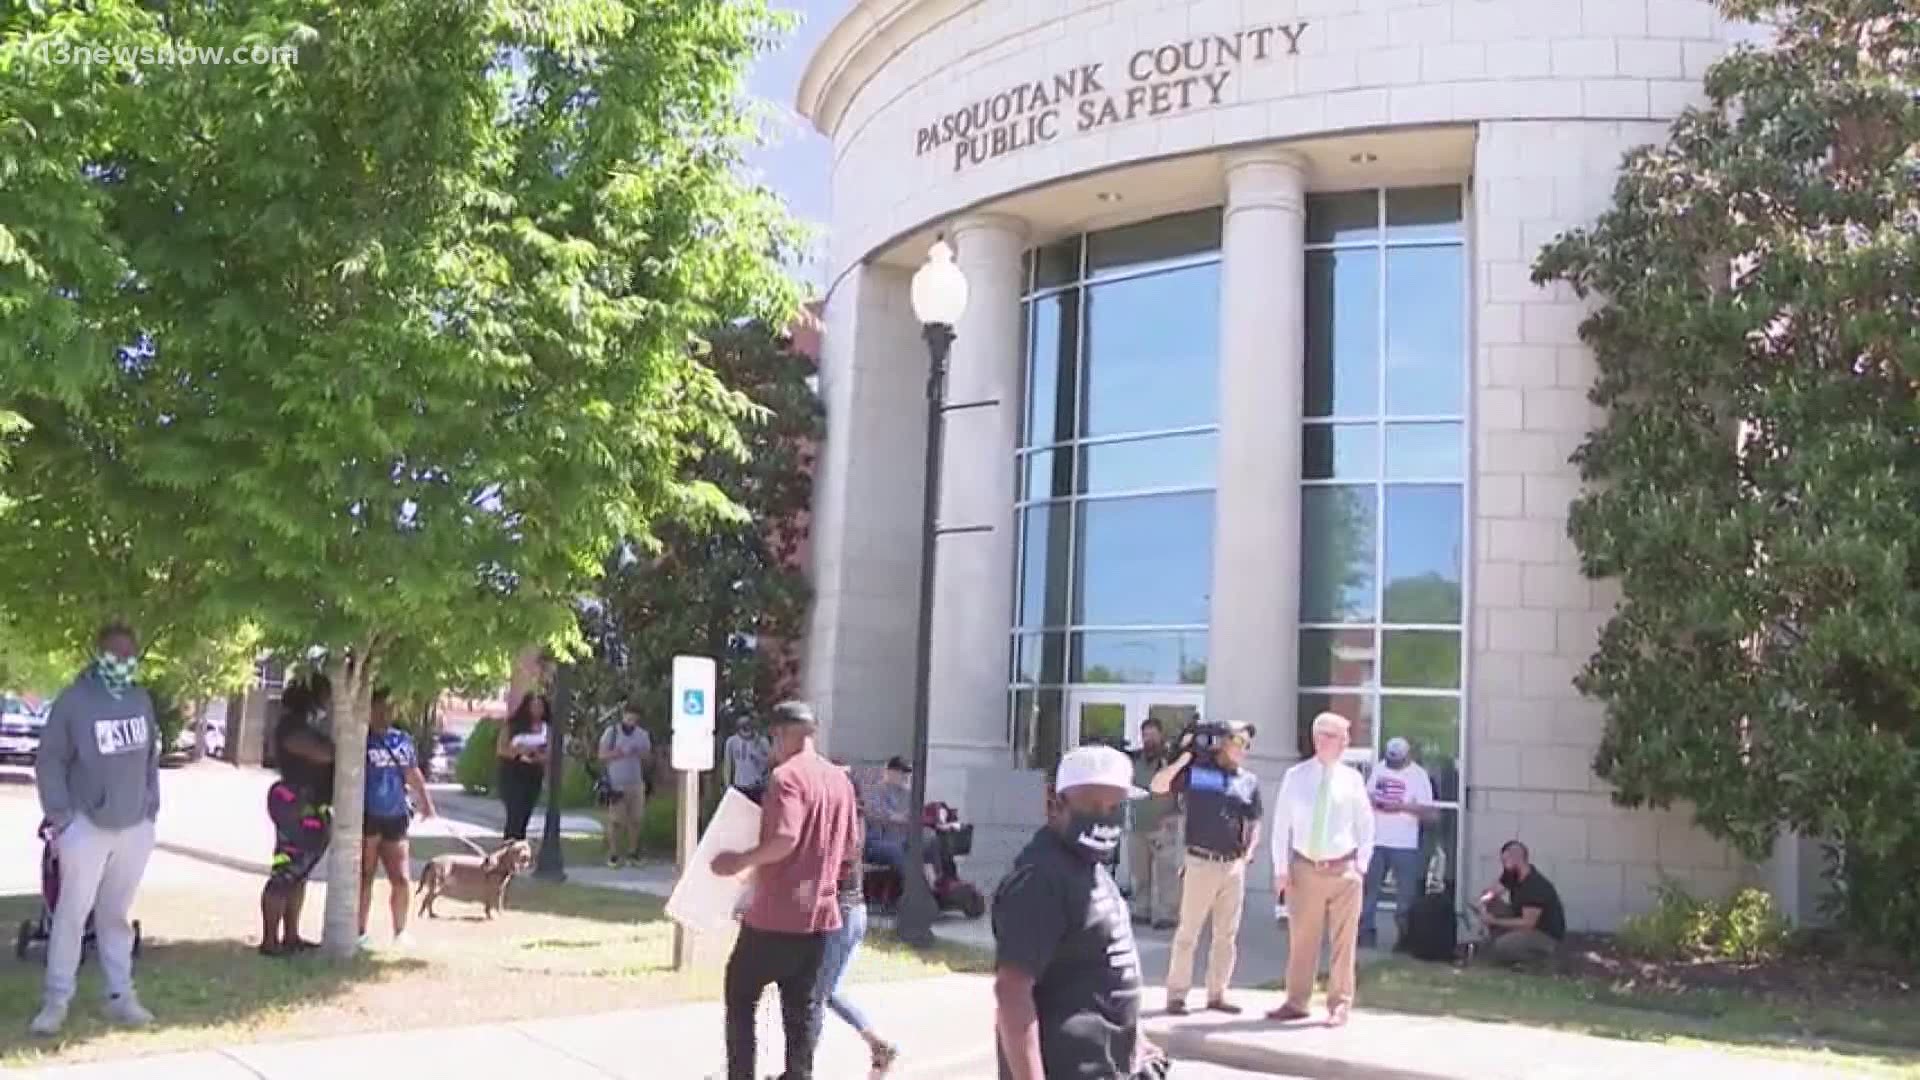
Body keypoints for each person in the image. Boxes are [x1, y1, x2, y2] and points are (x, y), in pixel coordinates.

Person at [992, 744, 1167, 1080]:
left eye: (1115, 807)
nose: (1105, 817)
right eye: (1092, 806)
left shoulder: (1089, 868)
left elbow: (1104, 969)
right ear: (1054, 805)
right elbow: (1012, 992)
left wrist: (1137, 1043)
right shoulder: (1040, 880)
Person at [710, 702, 858, 1080]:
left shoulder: (786, 777)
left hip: (775, 915)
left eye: (772, 737)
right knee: (802, 1010)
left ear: (782, 733)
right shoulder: (840, 779)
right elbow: (851, 845)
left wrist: (739, 860)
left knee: (741, 996)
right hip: (820, 918)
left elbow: (786, 837)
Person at [31, 621, 160, 1036]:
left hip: (134, 825)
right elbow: (49, 760)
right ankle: (55, 1001)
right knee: (70, 913)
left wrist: (150, 808)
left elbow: (150, 759)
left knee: (115, 915)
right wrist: (61, 817)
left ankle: (121, 997)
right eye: (113, 655)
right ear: (97, 654)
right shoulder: (74, 701)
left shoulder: (140, 699)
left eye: (128, 656)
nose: (121, 663)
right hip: (85, 825)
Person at [1267, 711, 1374, 1027]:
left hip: (1343, 871)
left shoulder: (1352, 779)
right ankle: (1296, 1001)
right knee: (1303, 939)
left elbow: (1366, 824)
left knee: (1344, 942)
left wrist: (1361, 867)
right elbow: (1280, 826)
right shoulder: (1295, 777)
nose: (1345, 744)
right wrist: (1280, 869)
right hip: (1305, 869)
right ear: (1320, 739)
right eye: (1340, 738)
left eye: (1345, 738)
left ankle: (1340, 1003)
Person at [1150, 719, 1262, 1016]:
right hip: (1200, 862)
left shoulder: (1247, 781)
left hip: (1232, 866)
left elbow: (1254, 820)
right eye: (1238, 742)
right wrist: (1185, 757)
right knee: (1188, 932)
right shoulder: (1199, 773)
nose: (1243, 749)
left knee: (1226, 935)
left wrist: (1248, 852)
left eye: (1247, 744)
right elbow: (1158, 785)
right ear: (1222, 743)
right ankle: (1176, 995)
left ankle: (1217, 994)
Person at [813, 760, 901, 1075]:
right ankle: (879, 1047)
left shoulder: (844, 825)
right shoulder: (849, 820)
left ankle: (799, 1068)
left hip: (843, 913)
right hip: (850, 913)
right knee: (826, 990)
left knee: (818, 993)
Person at [260, 674, 335, 957]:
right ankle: (270, 941)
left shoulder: (305, 725)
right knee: (284, 874)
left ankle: (291, 936)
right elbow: (323, 753)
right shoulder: (292, 727)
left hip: (312, 806)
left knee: (298, 876)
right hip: (295, 806)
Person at [358, 688, 435, 948]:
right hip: (368, 815)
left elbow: (413, 773)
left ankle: (400, 931)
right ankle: (359, 932)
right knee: (364, 876)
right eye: (379, 709)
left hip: (396, 815)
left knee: (401, 878)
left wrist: (426, 803)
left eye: (389, 709)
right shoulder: (361, 739)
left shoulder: (402, 740)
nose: (384, 714)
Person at [1360, 736, 1434, 949]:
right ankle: (1366, 933)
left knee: (1405, 894)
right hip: (1377, 840)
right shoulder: (1379, 769)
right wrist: (1373, 802)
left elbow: (1427, 811)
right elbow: (1366, 797)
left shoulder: (1418, 775)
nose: (1392, 764)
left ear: (1407, 756)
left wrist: (1401, 807)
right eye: (1391, 759)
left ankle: (1404, 937)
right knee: (1370, 890)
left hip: (1405, 844)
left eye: (1397, 760)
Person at [1473, 840, 1566, 968]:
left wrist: (1494, 921)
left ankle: (1542, 960)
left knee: (1502, 947)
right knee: (1493, 904)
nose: (1503, 865)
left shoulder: (1534, 885)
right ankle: (1503, 943)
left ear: (1517, 858)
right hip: (1523, 922)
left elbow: (1528, 923)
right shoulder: (1512, 875)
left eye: (1505, 861)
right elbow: (1493, 892)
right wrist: (1482, 901)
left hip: (1543, 934)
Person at [1126, 719, 1181, 930]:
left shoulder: (1170, 760)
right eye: (1145, 735)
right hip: (1138, 825)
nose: (1149, 739)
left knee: (1166, 873)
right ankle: (1141, 909)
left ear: (1161, 735)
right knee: (1139, 872)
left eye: (1152, 734)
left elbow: (1181, 790)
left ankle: (1168, 914)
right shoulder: (1135, 760)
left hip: (1164, 826)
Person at [597, 703, 653, 866]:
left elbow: (648, 756)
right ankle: (614, 854)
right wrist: (617, 753)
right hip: (616, 783)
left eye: (635, 717)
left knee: (635, 819)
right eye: (629, 716)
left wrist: (638, 753)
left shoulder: (642, 735)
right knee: (616, 820)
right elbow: (601, 754)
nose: (631, 720)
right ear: (623, 716)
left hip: (635, 782)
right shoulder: (612, 733)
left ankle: (633, 852)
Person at [496, 692, 549, 841]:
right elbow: (501, 749)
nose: (537, 709)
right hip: (512, 773)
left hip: (533, 774)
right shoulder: (513, 725)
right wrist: (519, 752)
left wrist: (539, 757)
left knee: (525, 813)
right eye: (533, 705)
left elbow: (551, 753)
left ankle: (519, 846)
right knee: (515, 813)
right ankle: (509, 847)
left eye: (540, 706)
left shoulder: (547, 729)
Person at [722, 714, 769, 792]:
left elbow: (769, 764)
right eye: (743, 726)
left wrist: (757, 755)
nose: (746, 728)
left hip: (757, 785)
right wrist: (727, 785)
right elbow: (728, 764)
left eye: (748, 725)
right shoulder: (732, 741)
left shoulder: (762, 741)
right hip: (739, 785)